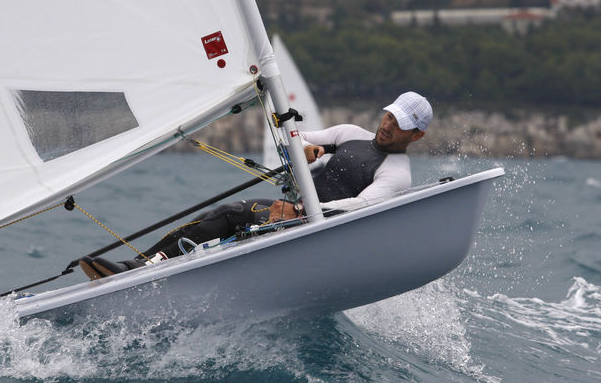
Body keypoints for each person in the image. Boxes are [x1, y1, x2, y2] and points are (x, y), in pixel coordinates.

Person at [79, 91, 432, 280]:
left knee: (236, 213)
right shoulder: (352, 134)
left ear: (416, 135)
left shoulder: (397, 173)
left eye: (399, 124)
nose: (388, 125)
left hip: (313, 235)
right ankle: (139, 266)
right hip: (293, 217)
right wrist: (303, 148)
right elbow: (289, 138)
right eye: (389, 116)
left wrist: (301, 211)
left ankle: (142, 270)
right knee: (221, 214)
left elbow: (358, 209)